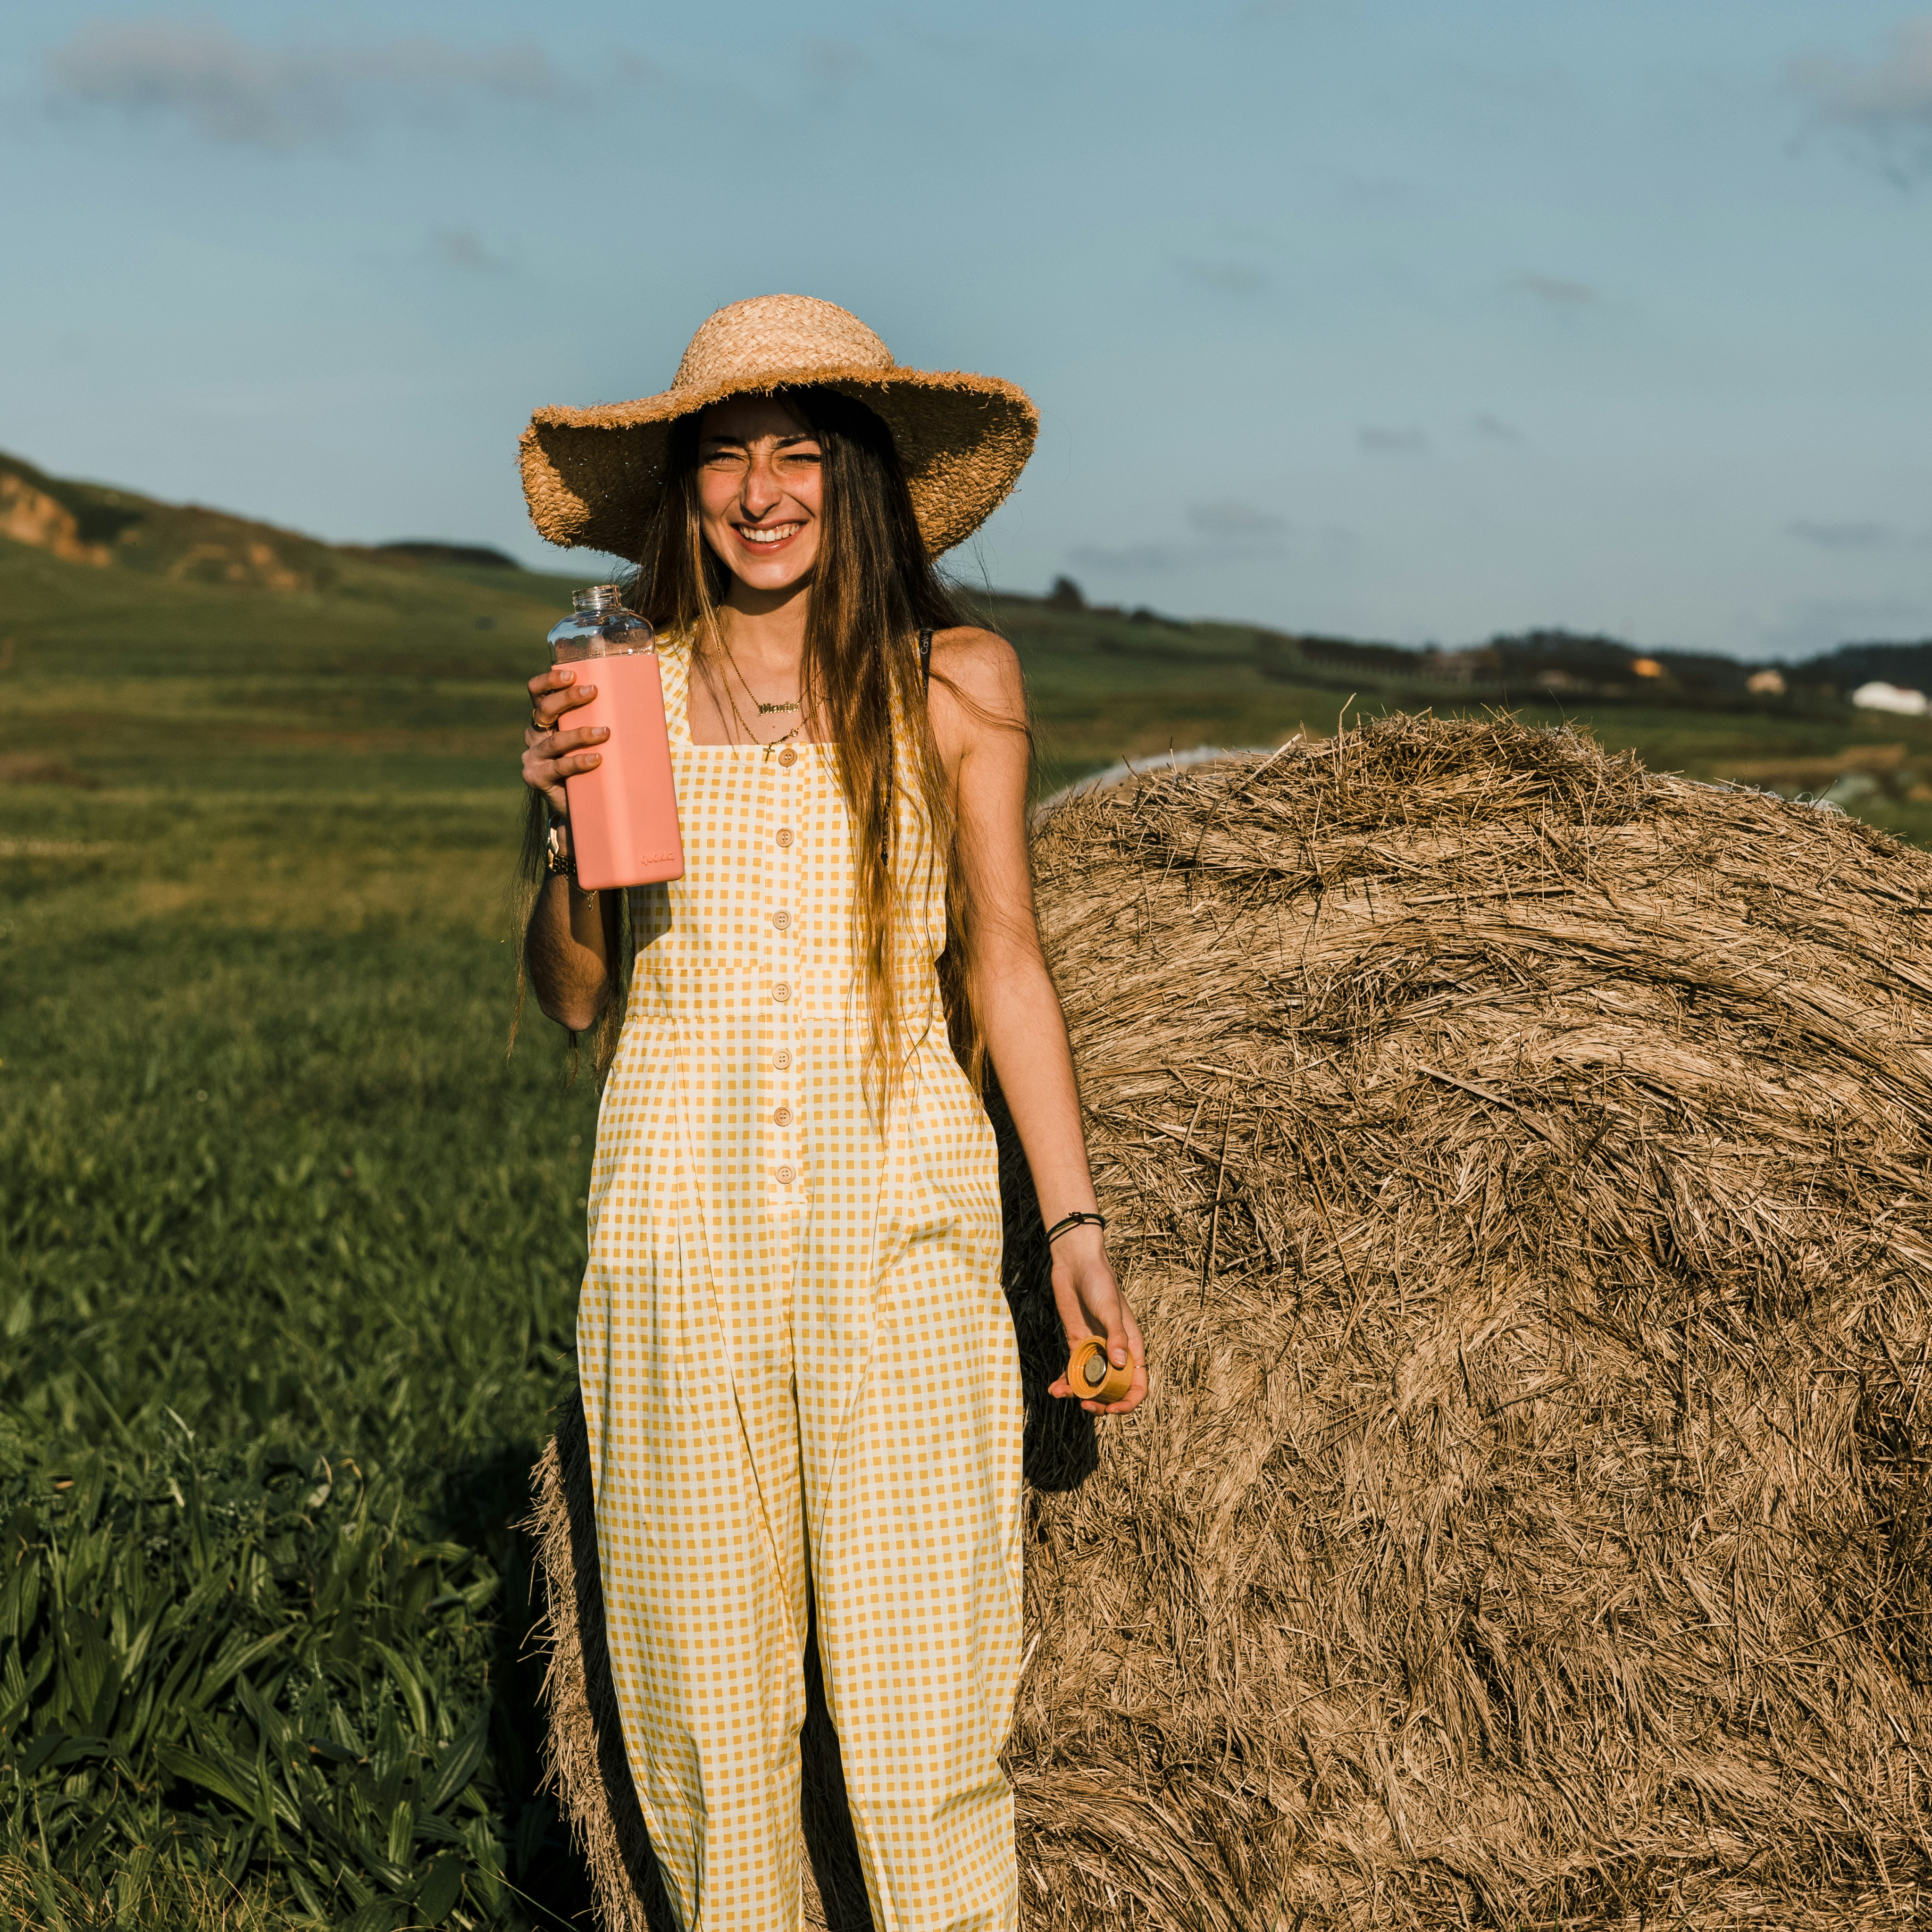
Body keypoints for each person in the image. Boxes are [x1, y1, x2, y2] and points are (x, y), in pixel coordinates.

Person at [515, 294, 1146, 1932]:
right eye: (725, 460)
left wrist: (1073, 1227)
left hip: (906, 1252)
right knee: (712, 1752)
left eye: (799, 452)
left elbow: (1006, 957)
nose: (762, 490)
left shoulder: (958, 682)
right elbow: (578, 995)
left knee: (929, 1732)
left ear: (857, 478)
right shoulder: (618, 686)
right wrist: (566, 830)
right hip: (677, 1253)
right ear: (684, 495)